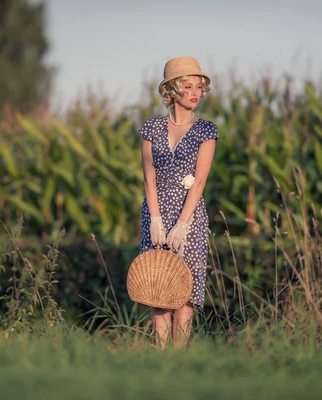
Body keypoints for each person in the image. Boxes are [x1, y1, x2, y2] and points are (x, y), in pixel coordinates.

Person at [138, 56, 219, 349]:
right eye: (188, 86)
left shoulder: (205, 130)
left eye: (199, 86)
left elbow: (199, 182)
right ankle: (161, 366)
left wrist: (182, 225)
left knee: (184, 297)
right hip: (156, 213)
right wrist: (157, 220)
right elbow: (149, 178)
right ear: (173, 90)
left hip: (190, 217)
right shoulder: (152, 128)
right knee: (158, 294)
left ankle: (180, 363)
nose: (196, 92)